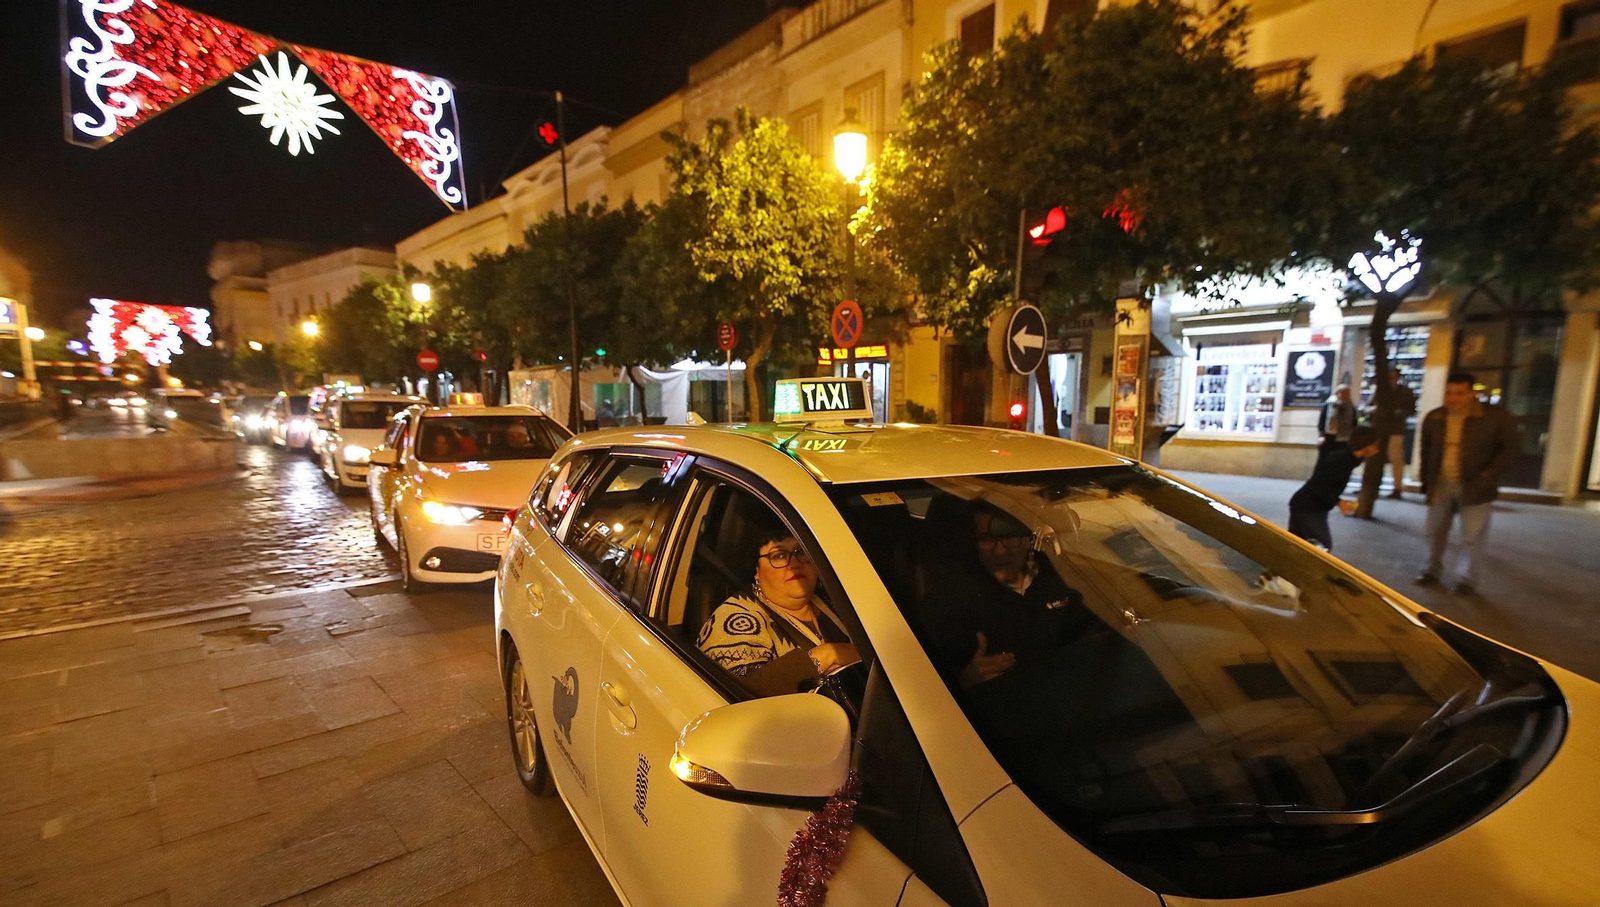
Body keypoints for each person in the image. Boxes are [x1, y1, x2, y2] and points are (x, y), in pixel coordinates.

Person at [920, 502, 1094, 689]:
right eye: (986, 539)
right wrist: (966, 678)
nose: (1000, 551)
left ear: (1029, 537)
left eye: (1010, 537)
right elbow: (923, 679)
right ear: (974, 542)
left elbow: (1093, 635)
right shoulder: (951, 598)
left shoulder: (1063, 576)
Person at [698, 519, 859, 696]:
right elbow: (741, 695)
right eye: (779, 555)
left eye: (801, 552)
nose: (795, 563)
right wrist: (827, 655)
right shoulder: (735, 618)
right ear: (756, 571)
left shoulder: (836, 599)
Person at [1416, 371, 1520, 595]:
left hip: (1475, 485)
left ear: (1472, 393)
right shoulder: (1435, 417)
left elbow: (1510, 449)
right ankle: (1430, 570)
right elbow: (1426, 451)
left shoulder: (1494, 417)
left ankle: (1466, 580)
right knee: (1433, 531)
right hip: (1442, 484)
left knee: (1472, 536)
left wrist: (1489, 474)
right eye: (1449, 393)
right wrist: (1426, 481)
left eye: (1460, 393)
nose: (1453, 398)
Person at [1289, 426, 1380, 551]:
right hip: (1308, 507)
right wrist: (1339, 502)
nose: (1377, 449)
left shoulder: (1350, 458)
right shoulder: (1341, 459)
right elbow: (1317, 485)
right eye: (1375, 444)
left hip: (1309, 505)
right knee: (1322, 547)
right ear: (1366, 444)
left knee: (1297, 546)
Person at [1382, 370, 1417, 499]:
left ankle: (1397, 488)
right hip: (1381, 429)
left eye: (1393, 377)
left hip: (1396, 429)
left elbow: (1410, 410)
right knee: (1376, 458)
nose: (1391, 380)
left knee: (1396, 459)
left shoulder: (1405, 392)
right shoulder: (1382, 391)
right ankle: (1375, 484)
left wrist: (1398, 413)